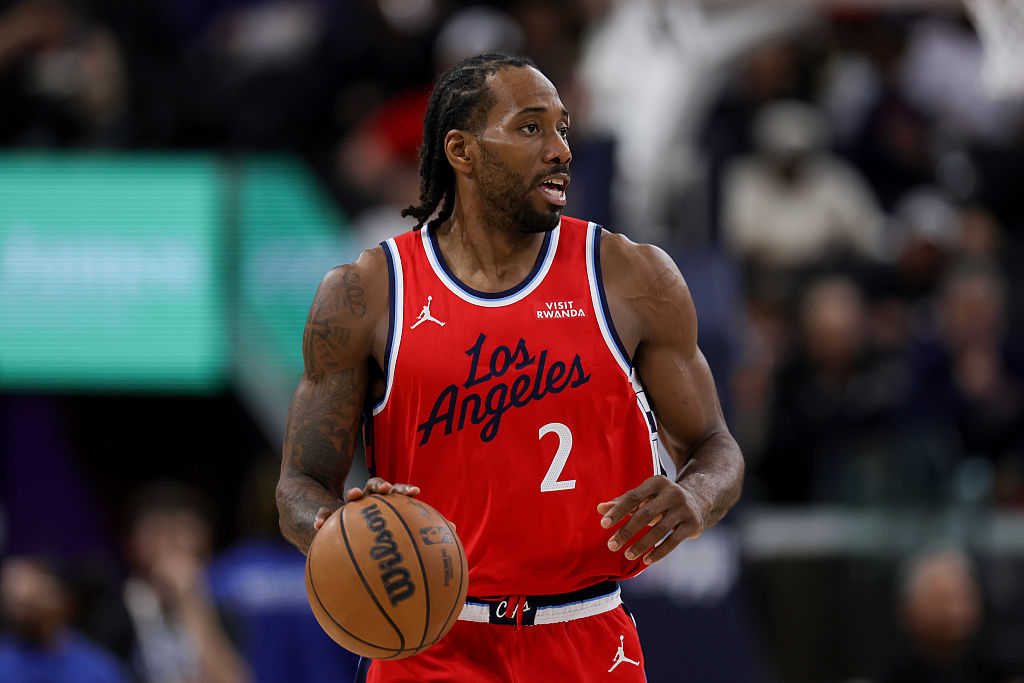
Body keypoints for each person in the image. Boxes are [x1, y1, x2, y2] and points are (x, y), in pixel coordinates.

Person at [275, 52, 745, 682]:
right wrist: (343, 532)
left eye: (563, 129)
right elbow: (298, 485)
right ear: (461, 151)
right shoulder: (366, 293)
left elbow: (716, 446)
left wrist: (695, 495)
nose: (560, 150)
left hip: (585, 634)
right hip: (429, 642)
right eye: (531, 128)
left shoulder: (633, 276)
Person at [0, 555, 128, 683]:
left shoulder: (97, 667)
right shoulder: (6, 663)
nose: (27, 612)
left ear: (62, 600)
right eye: (16, 603)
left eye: (37, 597)